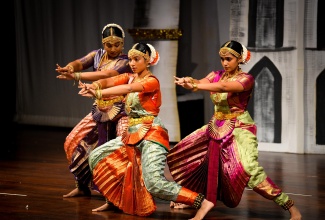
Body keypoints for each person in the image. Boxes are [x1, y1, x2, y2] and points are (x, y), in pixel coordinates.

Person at [167, 40, 302, 220]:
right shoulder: (216, 74)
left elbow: (223, 87)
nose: (224, 63)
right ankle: (194, 200)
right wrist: (188, 81)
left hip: (239, 127)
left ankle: (291, 207)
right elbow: (201, 81)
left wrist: (196, 86)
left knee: (250, 169)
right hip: (216, 126)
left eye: (229, 59)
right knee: (191, 156)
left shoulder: (246, 79)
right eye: (222, 59)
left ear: (239, 59)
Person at [78, 42, 214, 219]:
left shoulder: (151, 81)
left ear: (147, 61)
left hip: (151, 133)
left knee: (155, 183)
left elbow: (127, 89)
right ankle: (113, 200)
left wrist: (99, 94)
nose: (132, 63)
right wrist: (94, 86)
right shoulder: (130, 76)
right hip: (132, 132)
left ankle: (202, 202)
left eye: (137, 59)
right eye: (131, 59)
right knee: (97, 156)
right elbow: (110, 80)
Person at [55, 23, 132, 198]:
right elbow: (80, 62)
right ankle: (82, 185)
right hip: (100, 109)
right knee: (72, 142)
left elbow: (106, 75)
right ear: (103, 43)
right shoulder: (97, 55)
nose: (113, 48)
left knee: (121, 148)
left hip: (121, 112)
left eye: (117, 44)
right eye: (109, 45)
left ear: (123, 44)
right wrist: (70, 67)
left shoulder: (125, 61)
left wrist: (76, 76)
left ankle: (119, 193)